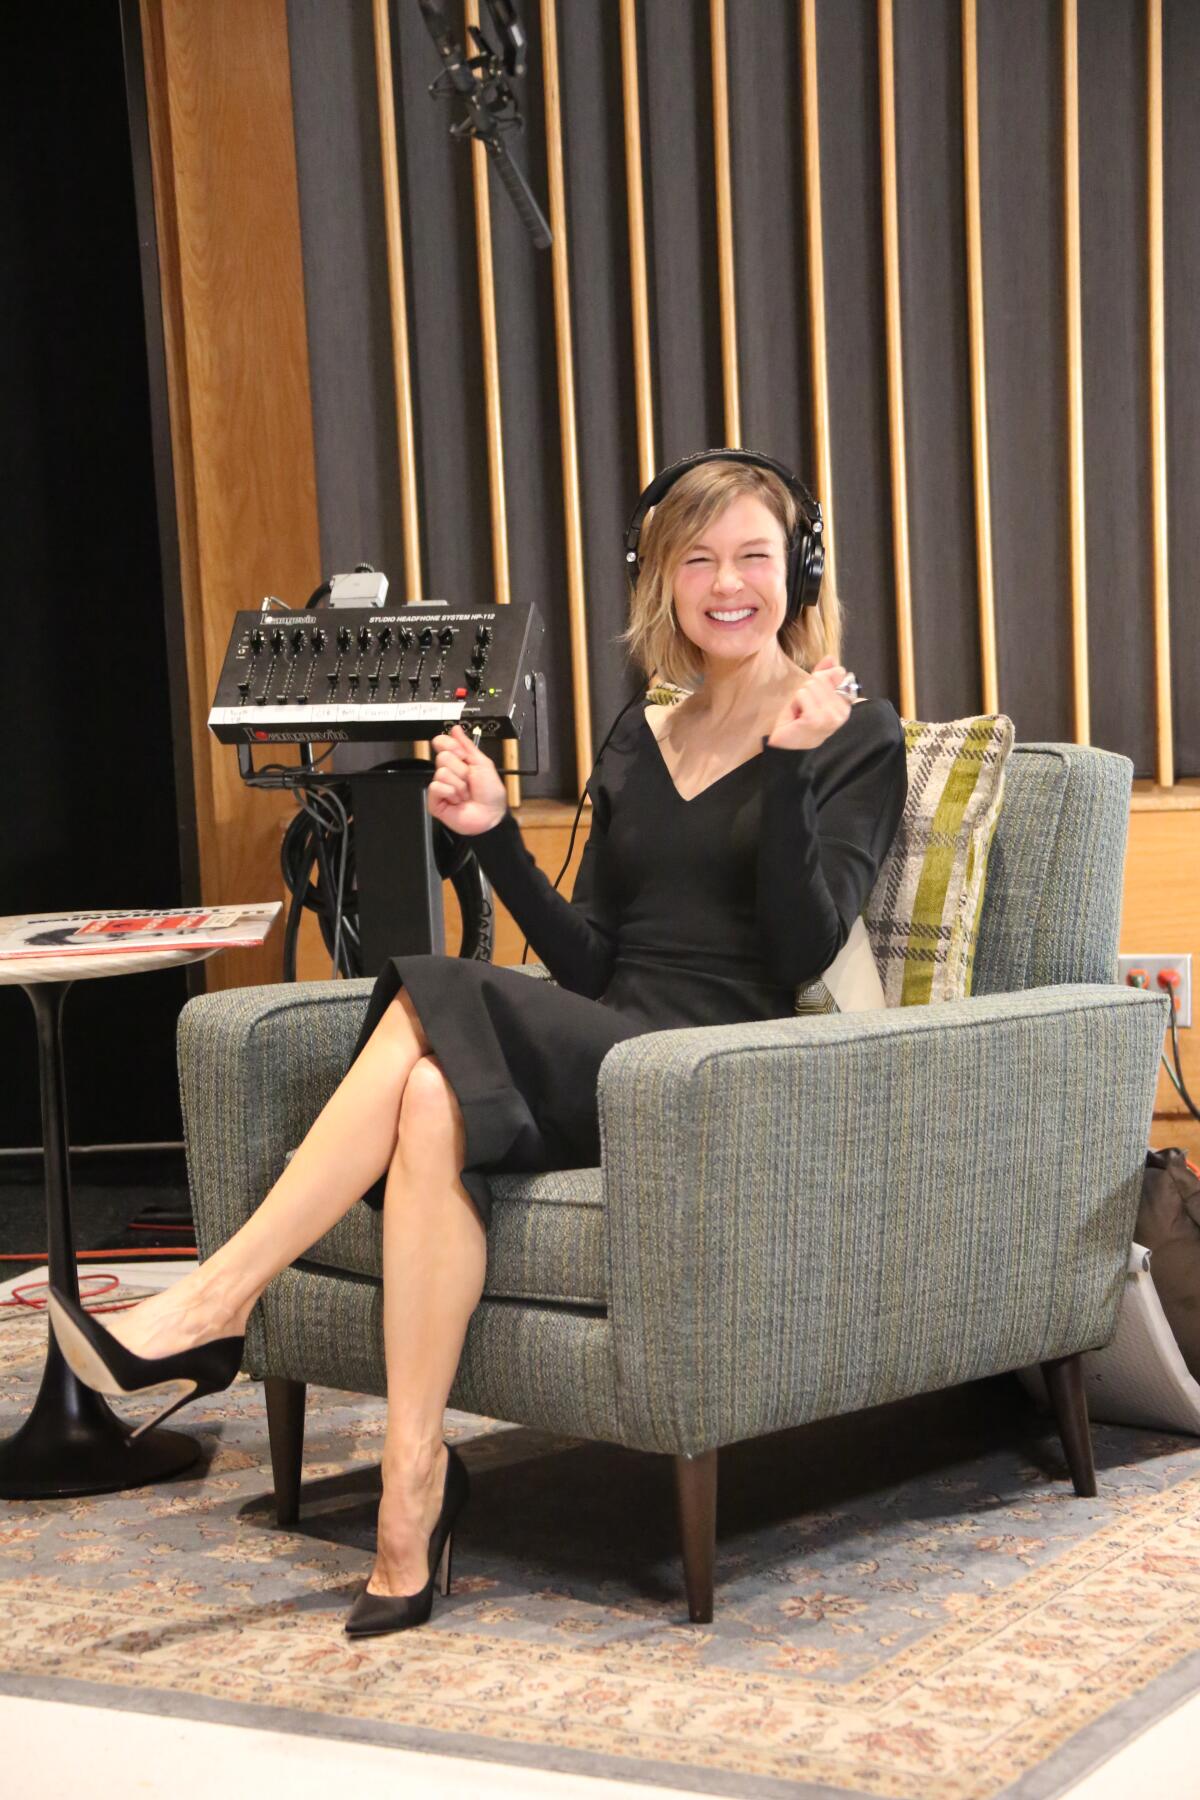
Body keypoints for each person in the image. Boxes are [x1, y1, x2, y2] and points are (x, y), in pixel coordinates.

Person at [48, 454, 908, 1637]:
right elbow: (596, 960)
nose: (727, 584)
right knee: (428, 1105)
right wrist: (497, 838)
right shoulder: (636, 735)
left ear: (798, 571)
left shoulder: (852, 729)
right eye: (697, 559)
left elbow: (805, 942)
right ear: (661, 580)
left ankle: (215, 1299)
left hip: (714, 1071)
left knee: (435, 992)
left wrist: (795, 768)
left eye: (754, 555)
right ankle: (413, 1491)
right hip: (613, 1034)